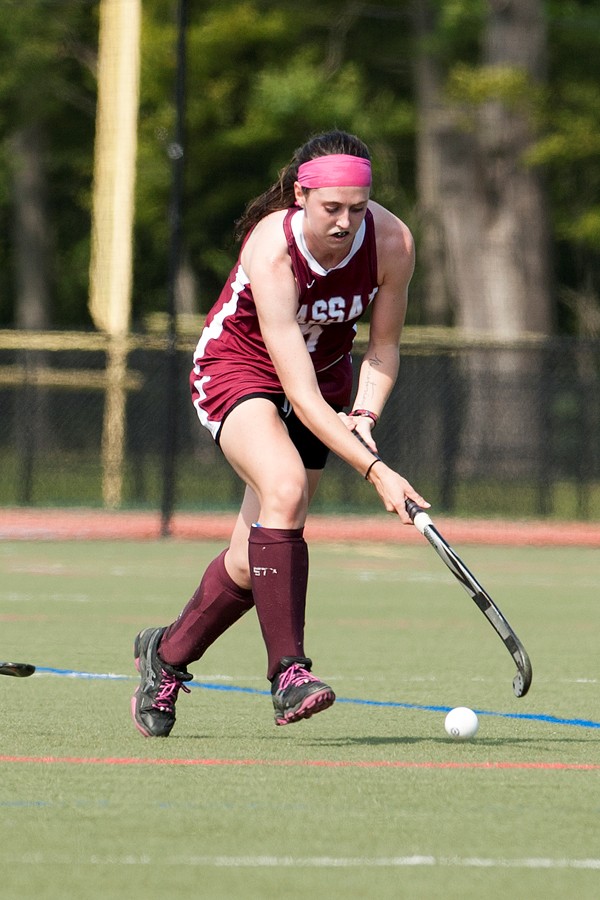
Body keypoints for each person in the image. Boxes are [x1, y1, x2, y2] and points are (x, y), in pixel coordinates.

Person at [131, 129, 429, 738]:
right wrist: (376, 472)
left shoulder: (392, 240)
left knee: (252, 559)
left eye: (358, 207)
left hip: (326, 380)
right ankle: (289, 673)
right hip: (239, 369)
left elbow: (384, 347)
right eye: (332, 208)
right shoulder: (272, 247)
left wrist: (365, 417)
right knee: (285, 488)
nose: (346, 222)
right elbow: (295, 390)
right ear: (301, 196)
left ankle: (165, 654)